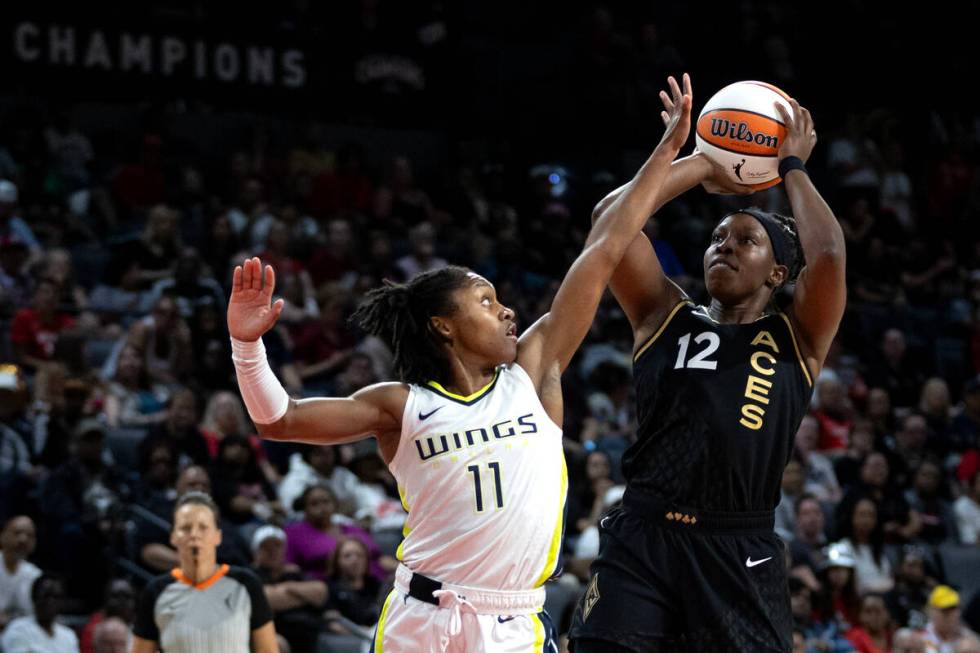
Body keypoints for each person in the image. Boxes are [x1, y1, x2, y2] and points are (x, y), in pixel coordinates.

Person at [227, 74, 697, 652]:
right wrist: (247, 347)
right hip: (421, 621)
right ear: (442, 324)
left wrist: (675, 156)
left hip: (513, 624)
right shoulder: (401, 406)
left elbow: (604, 251)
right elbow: (281, 420)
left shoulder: (534, 371)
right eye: (486, 300)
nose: (506, 312)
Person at [568, 91, 846, 650]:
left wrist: (789, 166)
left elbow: (831, 257)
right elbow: (608, 224)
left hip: (737, 546)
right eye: (718, 237)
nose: (725, 246)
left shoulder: (798, 335)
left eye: (747, 241)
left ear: (778, 273)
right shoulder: (662, 314)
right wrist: (698, 162)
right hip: (643, 535)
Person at [132, 491, 277, 652]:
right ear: (173, 537)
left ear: (218, 536)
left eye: (203, 527)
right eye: (186, 528)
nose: (194, 535)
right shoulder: (155, 592)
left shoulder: (246, 584)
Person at [0, 574, 79, 653]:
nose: (51, 602)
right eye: (46, 596)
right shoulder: (18, 629)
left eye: (56, 597)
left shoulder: (69, 636)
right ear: (34, 598)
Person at [0, 515, 40, 631]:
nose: (23, 539)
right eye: (17, 533)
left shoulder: (35, 575)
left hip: (21, 634)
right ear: (2, 536)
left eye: (29, 535)